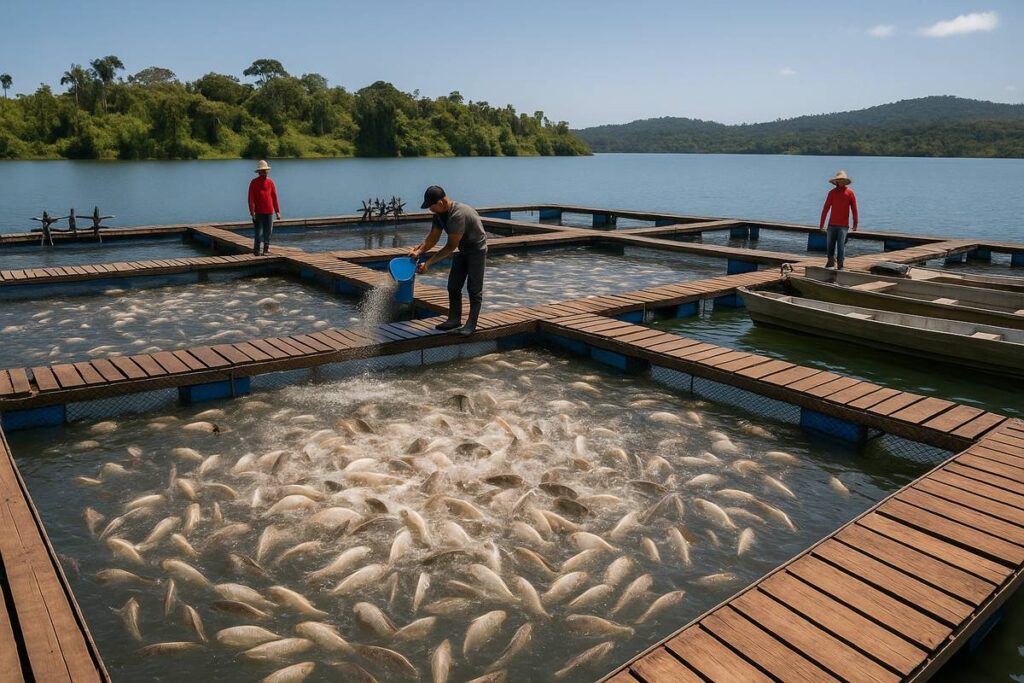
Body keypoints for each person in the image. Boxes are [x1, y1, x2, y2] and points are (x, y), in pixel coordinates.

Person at [408, 186, 488, 336]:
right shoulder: (439, 214)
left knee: (474, 289)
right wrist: (419, 251)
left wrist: (429, 263)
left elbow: (450, 246)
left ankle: (471, 325)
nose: (430, 210)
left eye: (431, 207)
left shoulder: (457, 215)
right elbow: (433, 237)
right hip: (463, 249)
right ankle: (454, 319)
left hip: (476, 250)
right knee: (453, 285)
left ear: (441, 202)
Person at [818, 170, 858, 269]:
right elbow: (826, 208)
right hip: (831, 224)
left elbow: (854, 209)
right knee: (830, 246)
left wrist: (855, 223)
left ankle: (840, 265)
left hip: (843, 226)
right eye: (838, 180)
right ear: (835, 182)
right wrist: (822, 224)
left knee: (841, 246)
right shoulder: (831, 193)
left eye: (842, 180)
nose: (840, 182)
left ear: (845, 182)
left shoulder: (850, 193)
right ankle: (830, 262)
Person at [248, 160, 281, 256]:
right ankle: (256, 251)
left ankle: (266, 250)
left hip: (269, 212)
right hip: (258, 212)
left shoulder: (270, 182)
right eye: (262, 170)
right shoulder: (254, 182)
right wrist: (252, 211)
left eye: (266, 170)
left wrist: (277, 211)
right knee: (258, 233)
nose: (264, 172)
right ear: (259, 172)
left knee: (268, 233)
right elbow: (251, 198)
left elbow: (274, 197)